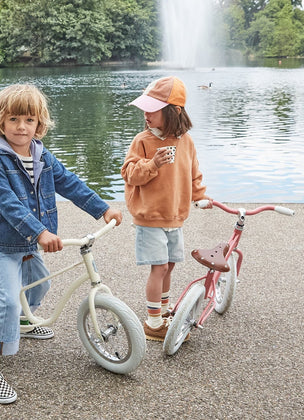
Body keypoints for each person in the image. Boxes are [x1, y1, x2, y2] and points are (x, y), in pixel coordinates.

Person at [0, 84, 122, 404]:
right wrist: (40, 232)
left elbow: (70, 183)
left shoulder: (41, 154)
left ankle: (26, 324)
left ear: (38, 123)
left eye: (28, 120)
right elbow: (7, 203)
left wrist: (103, 209)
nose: (21, 127)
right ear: (0, 122)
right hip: (1, 242)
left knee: (39, 287)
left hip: (28, 241)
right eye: (13, 119)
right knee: (9, 303)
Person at [120, 76, 212, 341]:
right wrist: (153, 165)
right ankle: (152, 322)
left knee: (170, 265)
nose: (146, 115)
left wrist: (199, 196)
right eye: (145, 109)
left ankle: (163, 309)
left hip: (175, 216)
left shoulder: (186, 142)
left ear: (174, 111)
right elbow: (129, 175)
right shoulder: (143, 141)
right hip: (150, 216)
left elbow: (193, 174)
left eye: (152, 110)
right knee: (158, 267)